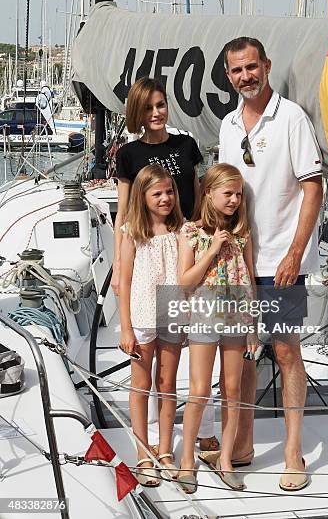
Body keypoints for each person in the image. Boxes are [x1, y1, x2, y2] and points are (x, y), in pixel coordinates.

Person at [201, 37, 323, 491]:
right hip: (236, 262)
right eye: (236, 71)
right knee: (242, 355)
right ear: (228, 75)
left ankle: (293, 452)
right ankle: (244, 442)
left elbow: (313, 188)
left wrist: (294, 253)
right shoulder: (229, 125)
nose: (245, 77)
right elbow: (224, 191)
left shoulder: (291, 119)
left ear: (266, 66)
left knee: (287, 351)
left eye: (251, 67)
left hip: (280, 259)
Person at [114, 76, 218, 453]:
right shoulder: (129, 154)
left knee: (183, 369)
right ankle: (147, 447)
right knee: (146, 378)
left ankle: (191, 437)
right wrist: (117, 262)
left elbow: (200, 194)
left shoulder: (186, 145)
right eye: (149, 107)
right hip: (145, 274)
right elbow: (125, 211)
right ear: (137, 112)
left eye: (161, 105)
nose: (156, 113)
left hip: (184, 248)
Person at [177, 163, 259, 493]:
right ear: (209, 193)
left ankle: (225, 459)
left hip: (237, 320)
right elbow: (185, 281)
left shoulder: (243, 235)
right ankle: (186, 461)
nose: (235, 200)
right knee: (199, 390)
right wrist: (211, 248)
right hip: (203, 318)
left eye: (239, 194)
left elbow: (249, 280)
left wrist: (252, 327)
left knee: (233, 390)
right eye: (228, 193)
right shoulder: (191, 232)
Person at [119, 164, 184, 487]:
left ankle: (166, 449)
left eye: (169, 191)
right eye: (157, 193)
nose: (165, 198)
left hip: (172, 310)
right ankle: (143, 450)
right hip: (143, 311)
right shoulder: (132, 231)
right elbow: (125, 281)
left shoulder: (181, 230)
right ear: (142, 197)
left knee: (167, 382)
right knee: (141, 384)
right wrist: (125, 327)